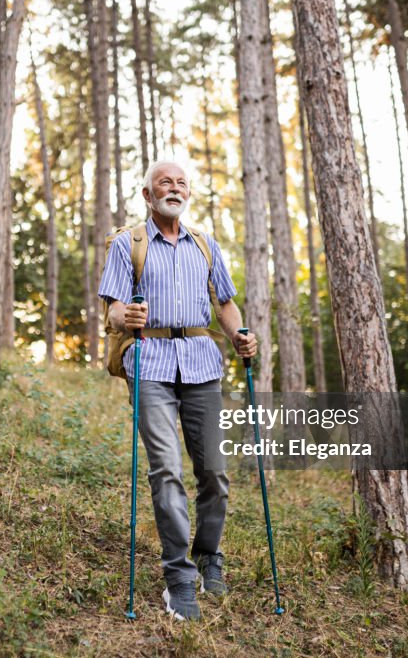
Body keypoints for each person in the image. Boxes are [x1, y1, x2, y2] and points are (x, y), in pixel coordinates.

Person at [98, 160, 257, 621]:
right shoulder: (129, 243)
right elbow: (111, 309)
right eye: (164, 182)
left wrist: (239, 333)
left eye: (181, 183)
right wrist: (124, 317)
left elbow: (224, 302)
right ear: (148, 195)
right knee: (166, 468)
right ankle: (178, 578)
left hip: (203, 366)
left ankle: (209, 556)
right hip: (150, 362)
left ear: (188, 195)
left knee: (215, 474)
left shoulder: (205, 245)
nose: (175, 188)